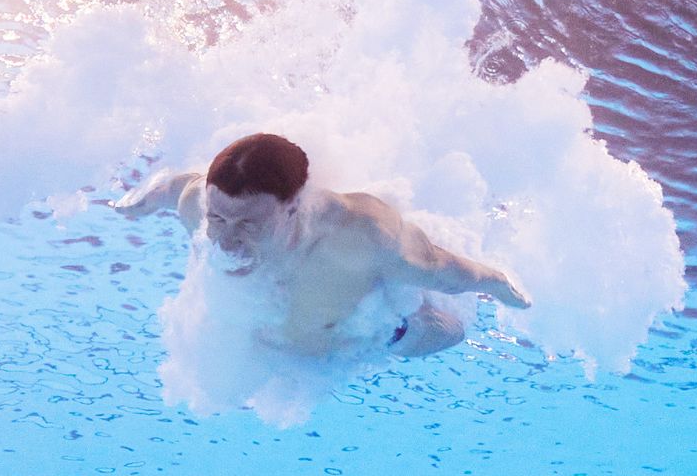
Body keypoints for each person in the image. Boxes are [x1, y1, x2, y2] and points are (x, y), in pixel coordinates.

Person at [113, 133, 530, 357]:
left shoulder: (362, 236)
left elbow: (444, 269)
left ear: (294, 207)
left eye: (250, 224)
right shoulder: (197, 206)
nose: (226, 240)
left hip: (372, 332)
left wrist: (496, 282)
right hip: (268, 339)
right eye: (218, 218)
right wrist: (144, 201)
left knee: (449, 334)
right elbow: (175, 186)